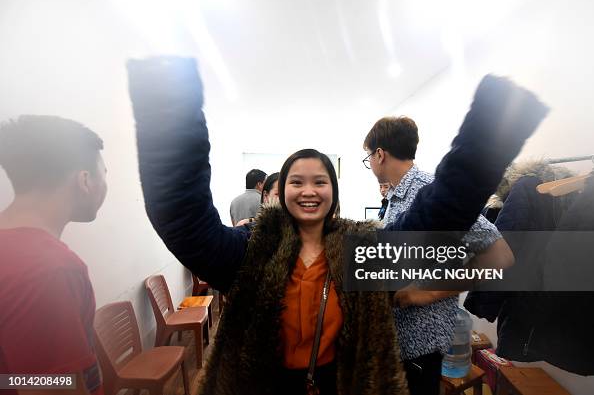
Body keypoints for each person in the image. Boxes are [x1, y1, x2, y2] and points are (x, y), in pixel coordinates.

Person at [128, 56, 548, 395]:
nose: (308, 190)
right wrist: (170, 103)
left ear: (333, 192)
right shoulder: (252, 247)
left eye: (320, 181)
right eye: (296, 180)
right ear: (278, 191)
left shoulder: (360, 250)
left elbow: (440, 214)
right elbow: (185, 223)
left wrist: (495, 124)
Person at [363, 115, 514, 395]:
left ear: (380, 154)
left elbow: (500, 255)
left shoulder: (428, 191)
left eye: (368, 157)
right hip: (399, 345)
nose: (369, 163)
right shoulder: (397, 197)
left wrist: (426, 292)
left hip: (420, 348)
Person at [0, 115, 107, 395]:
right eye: (104, 174)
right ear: (84, 180)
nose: (105, 185)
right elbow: (54, 386)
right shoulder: (47, 271)